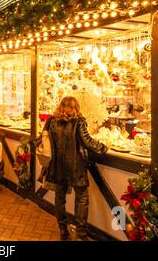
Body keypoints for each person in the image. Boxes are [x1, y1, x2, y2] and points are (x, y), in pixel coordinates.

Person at [44, 96, 108, 241]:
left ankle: (63, 231)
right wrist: (103, 148)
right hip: (76, 168)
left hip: (58, 167)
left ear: (61, 106)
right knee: (82, 199)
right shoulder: (79, 122)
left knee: (59, 199)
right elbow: (88, 141)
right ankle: (81, 234)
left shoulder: (51, 121)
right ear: (76, 107)